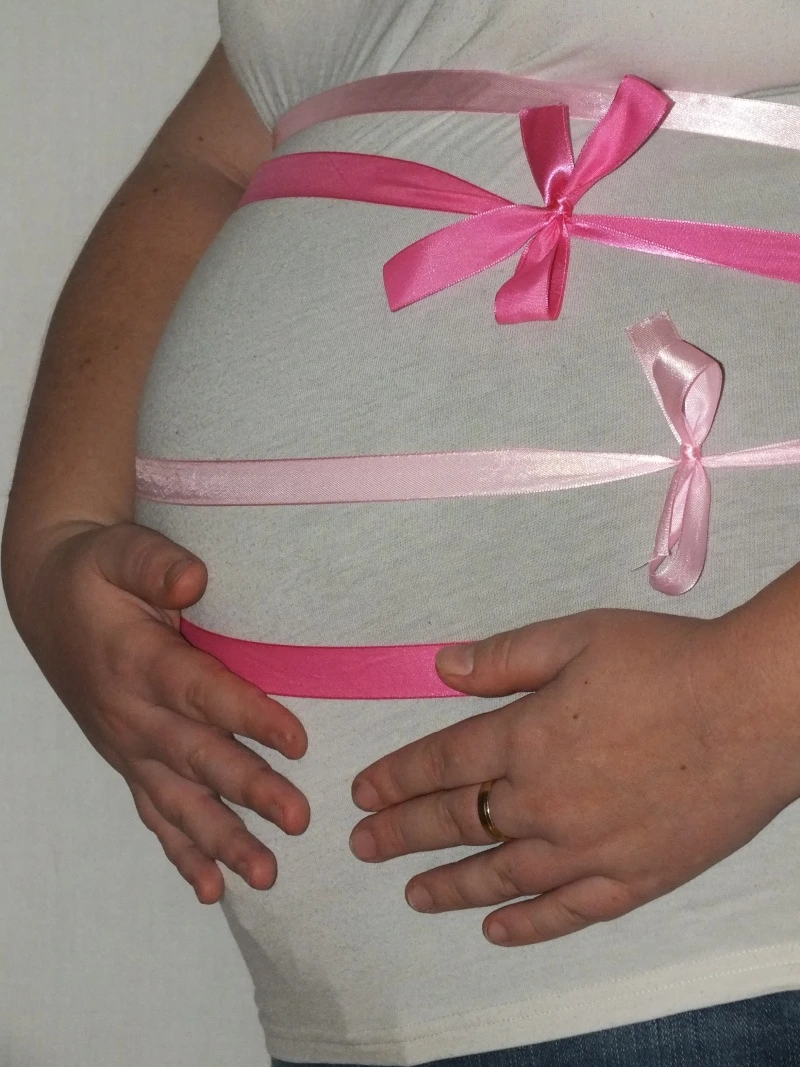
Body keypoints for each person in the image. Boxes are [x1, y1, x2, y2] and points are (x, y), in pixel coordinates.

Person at [4, 1, 800, 1063]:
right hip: (355, 992)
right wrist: (49, 540)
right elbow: (213, 156)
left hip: (726, 925)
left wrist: (749, 705)